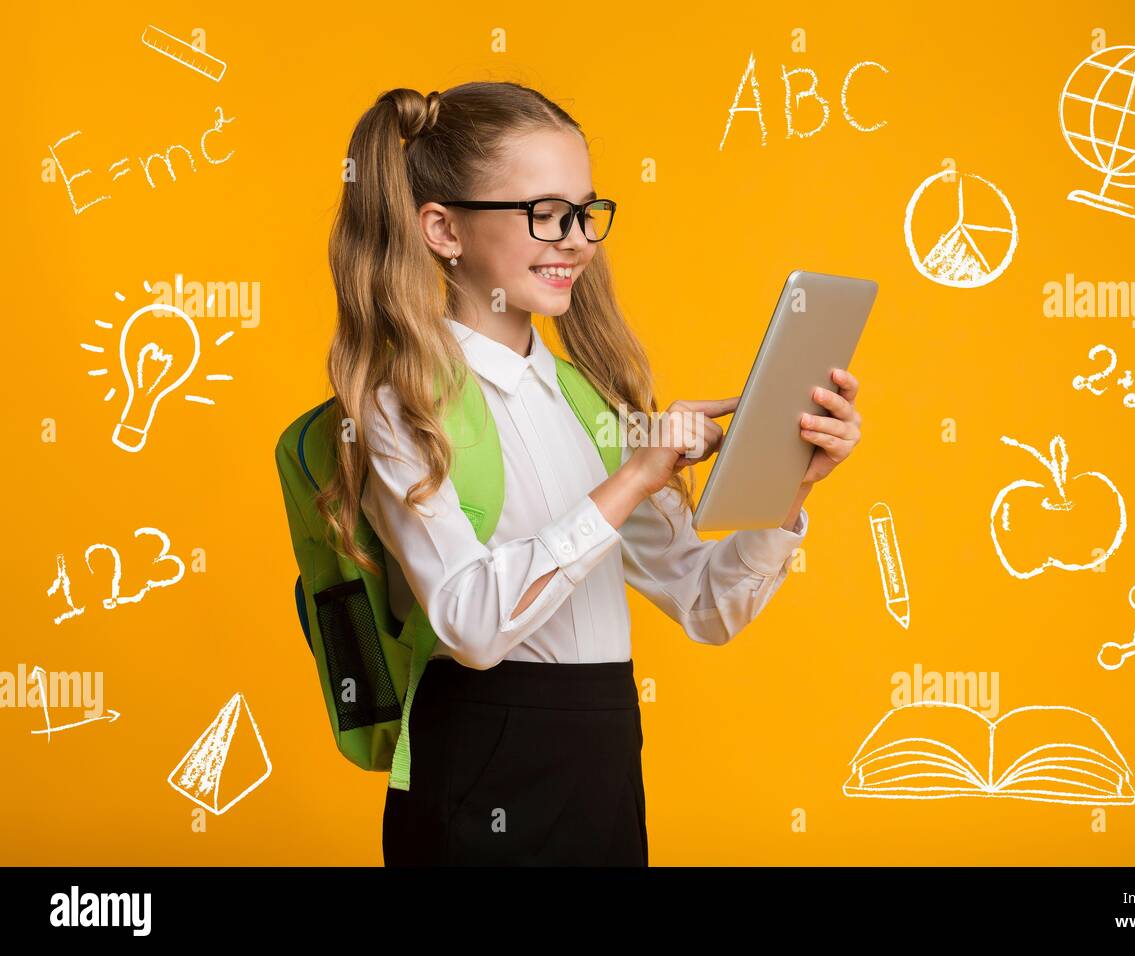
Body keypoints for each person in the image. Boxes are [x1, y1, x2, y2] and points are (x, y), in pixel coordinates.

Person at [317, 82, 862, 866]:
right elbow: (470, 626)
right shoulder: (403, 400)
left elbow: (708, 604)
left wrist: (790, 482)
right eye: (543, 212)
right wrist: (634, 478)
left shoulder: (586, 402)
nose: (574, 239)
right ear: (442, 229)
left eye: (584, 213)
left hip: (603, 753)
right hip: (479, 761)